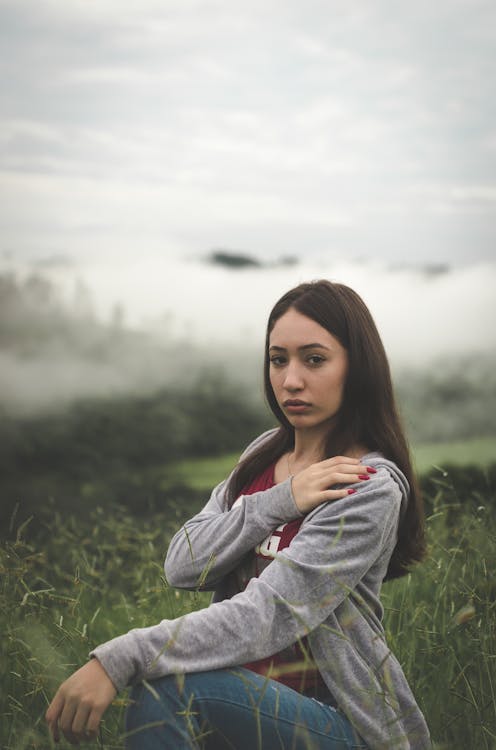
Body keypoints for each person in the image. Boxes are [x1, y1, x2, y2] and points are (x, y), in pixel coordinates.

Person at [46, 280, 432, 749]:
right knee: (171, 688)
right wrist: (282, 498)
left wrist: (119, 658)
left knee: (174, 691)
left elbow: (267, 615)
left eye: (314, 359)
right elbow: (184, 564)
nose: (291, 380)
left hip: (337, 723)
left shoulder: (366, 485)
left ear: (358, 367)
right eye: (278, 359)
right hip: (238, 704)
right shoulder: (261, 456)